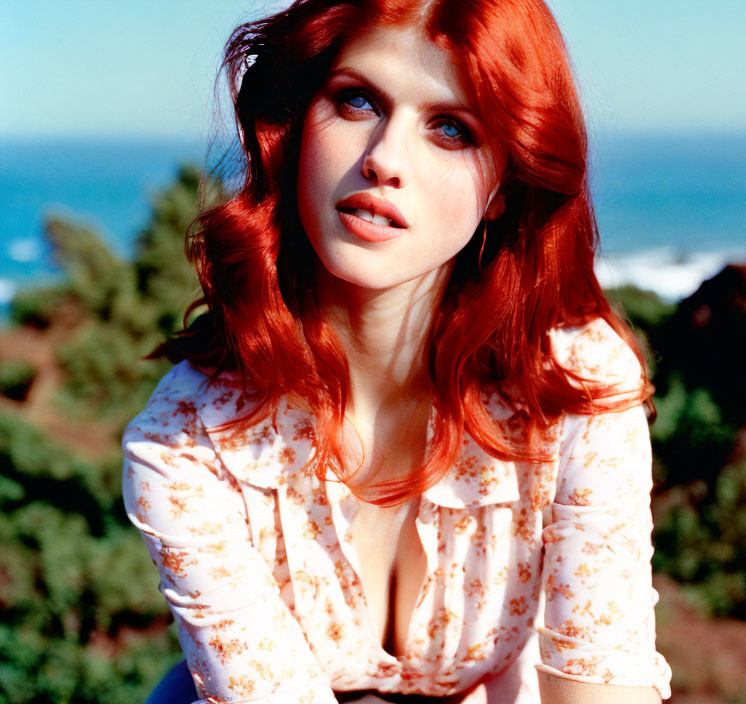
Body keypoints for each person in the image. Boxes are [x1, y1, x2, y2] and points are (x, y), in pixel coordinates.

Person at [123, 0, 672, 702]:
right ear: (295, 127)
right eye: (356, 101)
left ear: (504, 184)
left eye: (451, 128)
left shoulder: (572, 385)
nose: (384, 160)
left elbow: (602, 687)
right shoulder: (191, 441)